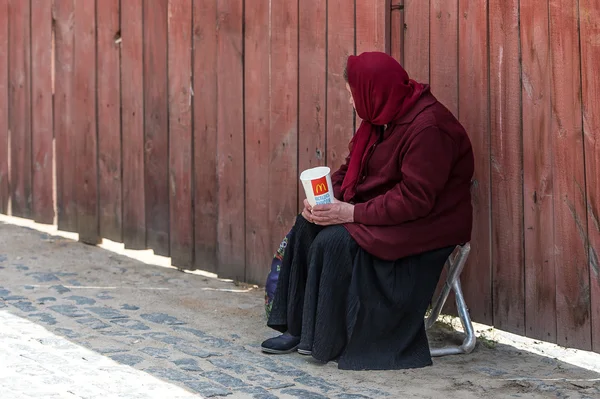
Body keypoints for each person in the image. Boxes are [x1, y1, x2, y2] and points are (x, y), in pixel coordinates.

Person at [261, 51, 474, 370]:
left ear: (373, 92)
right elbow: (352, 168)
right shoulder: (381, 117)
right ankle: (299, 328)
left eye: (352, 95)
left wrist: (349, 214)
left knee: (334, 240)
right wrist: (324, 197)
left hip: (428, 222)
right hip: (387, 208)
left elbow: (415, 199)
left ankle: (326, 337)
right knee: (308, 225)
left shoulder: (429, 128)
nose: (351, 103)